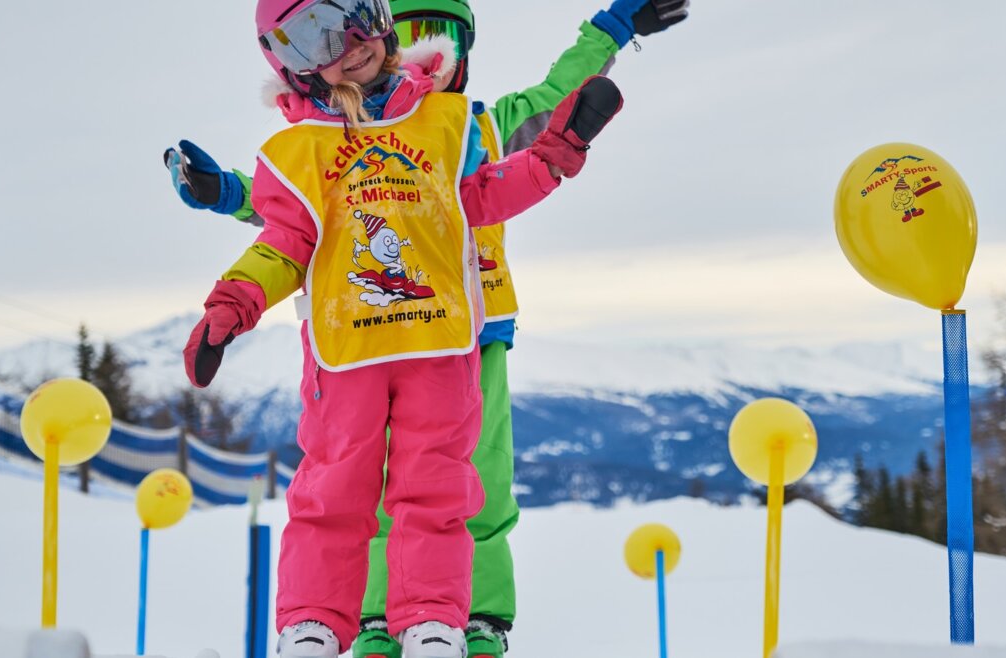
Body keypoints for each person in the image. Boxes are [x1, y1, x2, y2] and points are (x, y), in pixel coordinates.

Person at [168, 1, 686, 655]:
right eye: (320, 37)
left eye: (446, 35)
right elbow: (304, 220)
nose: (353, 44)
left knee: (461, 483)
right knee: (350, 484)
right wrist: (230, 232)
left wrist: (606, 41)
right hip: (359, 334)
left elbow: (551, 109)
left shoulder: (475, 122)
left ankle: (466, 620)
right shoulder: (321, 134)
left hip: (466, 330)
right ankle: (357, 621)